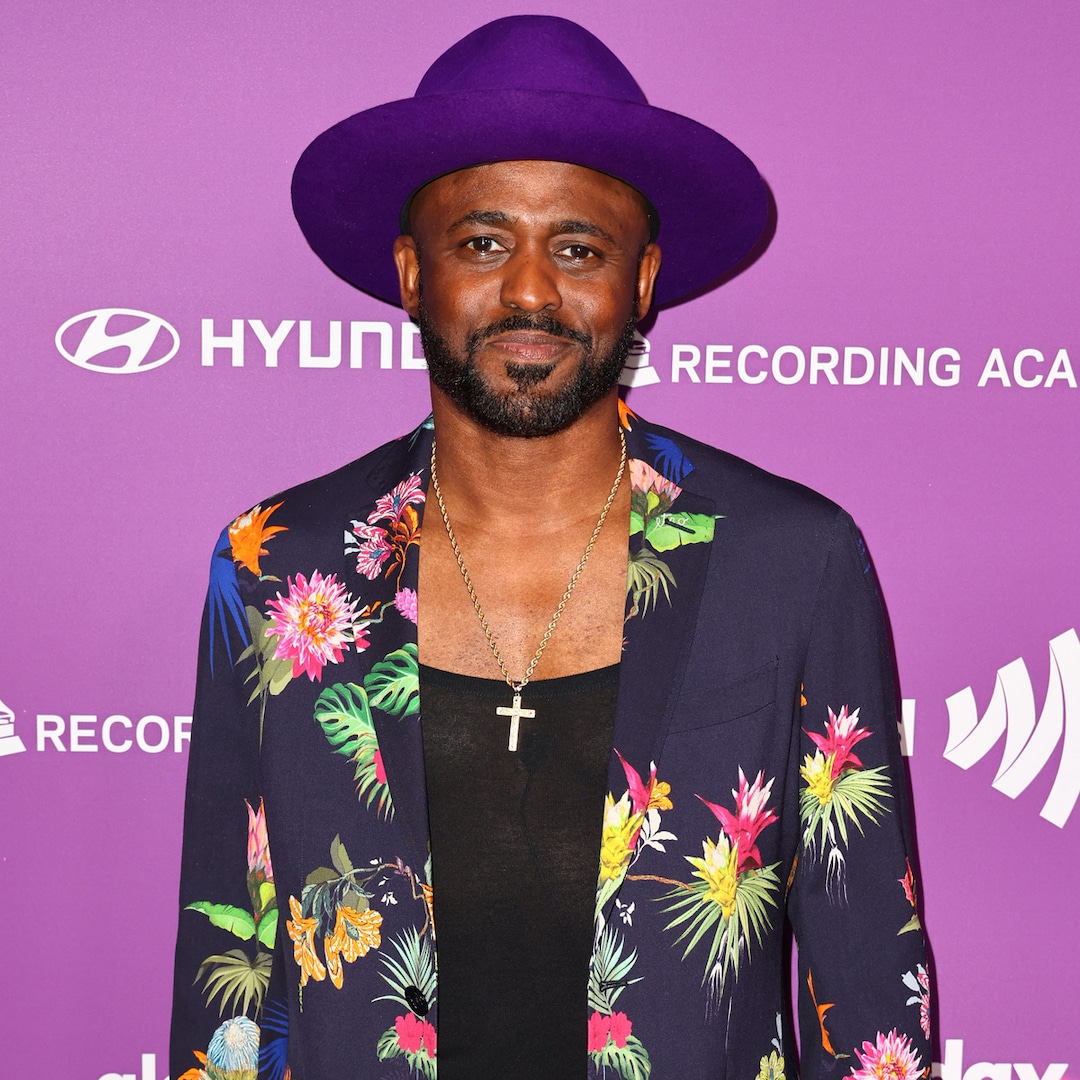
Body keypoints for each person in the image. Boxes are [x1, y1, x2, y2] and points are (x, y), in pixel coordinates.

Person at [171, 16, 931, 1080]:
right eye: (483, 243)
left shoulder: (793, 561)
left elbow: (870, 989)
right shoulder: (277, 567)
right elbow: (234, 976)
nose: (531, 290)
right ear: (411, 273)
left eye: (578, 249)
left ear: (643, 280)